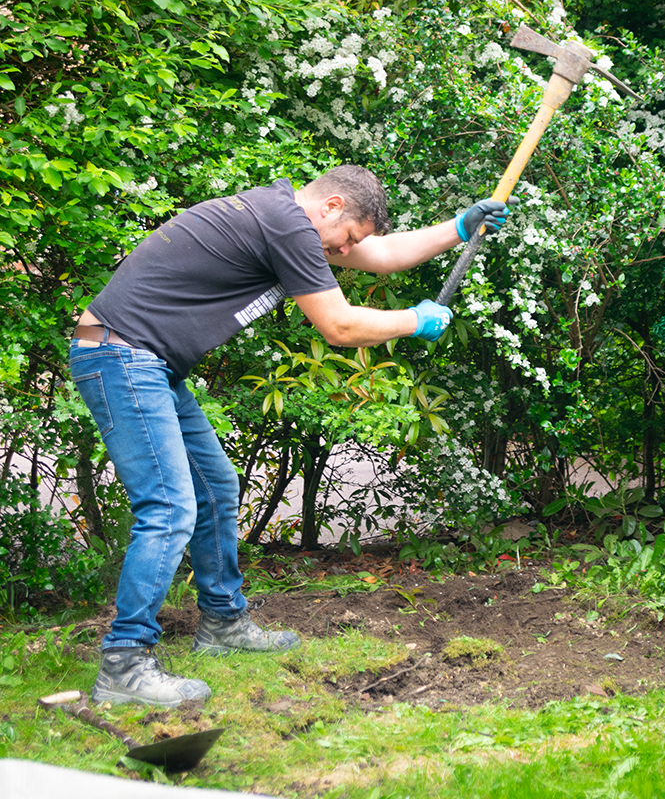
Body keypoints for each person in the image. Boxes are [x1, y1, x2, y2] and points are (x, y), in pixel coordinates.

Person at [69, 165, 513, 708]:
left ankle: (224, 624)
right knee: (168, 507)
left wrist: (459, 228)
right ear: (330, 207)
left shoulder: (287, 218)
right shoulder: (287, 225)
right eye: (347, 236)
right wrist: (413, 320)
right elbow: (340, 326)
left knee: (215, 487)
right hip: (121, 353)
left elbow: (380, 254)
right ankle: (123, 663)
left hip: (144, 359)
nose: (345, 250)